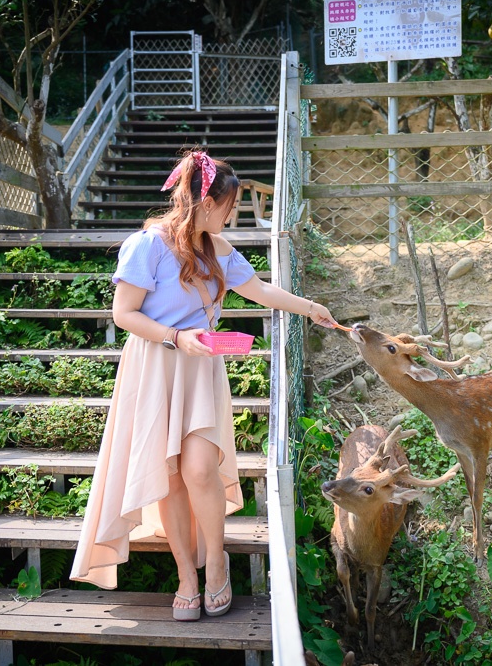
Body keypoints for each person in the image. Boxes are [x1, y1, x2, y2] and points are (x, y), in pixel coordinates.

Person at [70, 151, 336, 620]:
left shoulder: (218, 248)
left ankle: (217, 563)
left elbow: (259, 290)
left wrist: (309, 306)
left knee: (197, 469)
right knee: (169, 475)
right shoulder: (147, 246)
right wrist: (175, 336)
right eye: (228, 206)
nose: (231, 215)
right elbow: (123, 314)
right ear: (204, 202)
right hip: (156, 366)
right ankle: (186, 576)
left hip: (200, 371)